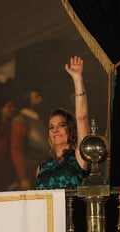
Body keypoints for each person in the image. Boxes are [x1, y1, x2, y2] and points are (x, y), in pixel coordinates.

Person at [36, 56, 90, 189]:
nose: (55, 130)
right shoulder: (41, 168)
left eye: (61, 125)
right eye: (51, 127)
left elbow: (82, 117)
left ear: (70, 129)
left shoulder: (79, 157)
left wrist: (77, 79)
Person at [10, 89, 50, 190]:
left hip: (42, 170)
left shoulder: (37, 120)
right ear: (27, 100)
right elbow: (16, 150)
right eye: (36, 97)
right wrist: (23, 177)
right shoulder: (20, 120)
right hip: (30, 172)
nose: (40, 100)